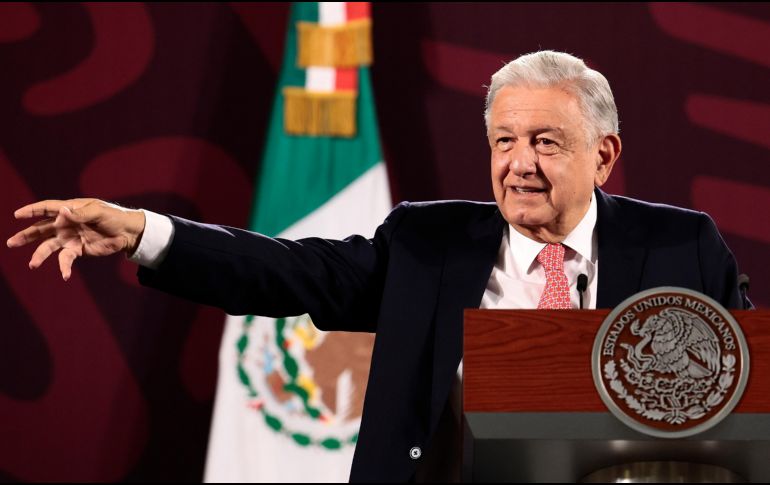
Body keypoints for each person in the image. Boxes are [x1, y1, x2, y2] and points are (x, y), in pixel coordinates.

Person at [6, 51, 748, 481]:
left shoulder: (683, 246)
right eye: (503, 141)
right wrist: (144, 232)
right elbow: (286, 270)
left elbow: (744, 404)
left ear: (605, 155)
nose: (519, 164)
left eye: (547, 142)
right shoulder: (426, 244)